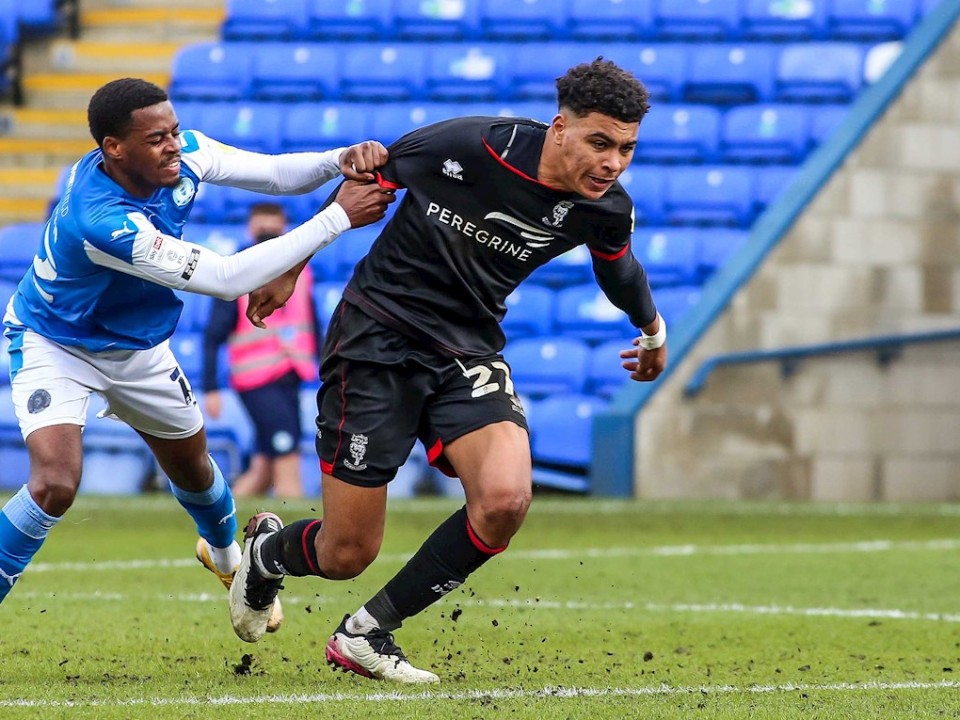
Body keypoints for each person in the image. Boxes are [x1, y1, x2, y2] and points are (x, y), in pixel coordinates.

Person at [227, 58, 667, 683]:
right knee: (346, 553)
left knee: (505, 501)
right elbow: (366, 180)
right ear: (559, 128)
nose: (612, 163)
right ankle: (267, 554)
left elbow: (617, 268)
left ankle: (366, 633)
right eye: (600, 143)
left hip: (468, 351)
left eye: (626, 149)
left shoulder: (605, 208)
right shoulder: (469, 145)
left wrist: (653, 331)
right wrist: (289, 266)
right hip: (377, 338)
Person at [0, 78, 394, 619]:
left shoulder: (181, 153)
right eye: (156, 138)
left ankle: (227, 557)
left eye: (174, 130)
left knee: (194, 470)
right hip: (56, 342)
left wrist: (337, 159)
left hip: (137, 348)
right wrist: (337, 217)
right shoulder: (102, 221)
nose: (173, 145)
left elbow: (274, 174)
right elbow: (228, 279)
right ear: (114, 148)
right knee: (55, 483)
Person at [202, 202, 320, 499]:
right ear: (250, 229)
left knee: (263, 467)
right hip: (256, 379)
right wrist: (210, 388)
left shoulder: (302, 272)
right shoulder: (236, 272)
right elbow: (213, 334)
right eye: (262, 224)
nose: (267, 230)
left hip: (292, 373)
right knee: (286, 457)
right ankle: (297, 514)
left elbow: (313, 325)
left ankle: (220, 517)